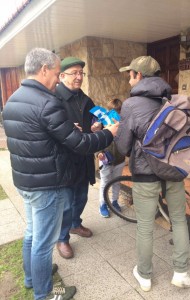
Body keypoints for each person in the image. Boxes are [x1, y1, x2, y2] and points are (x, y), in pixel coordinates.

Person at [2, 48, 118, 300]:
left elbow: (34, 139)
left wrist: (70, 130)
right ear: (44, 70)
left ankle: (32, 278)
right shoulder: (48, 102)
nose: (57, 79)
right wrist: (110, 133)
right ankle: (44, 295)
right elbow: (79, 144)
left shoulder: (13, 99)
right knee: (43, 243)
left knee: (33, 233)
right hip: (46, 184)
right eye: (57, 73)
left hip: (26, 181)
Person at [115, 56, 190, 292]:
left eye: (130, 74)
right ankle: (181, 272)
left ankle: (145, 276)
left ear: (138, 76)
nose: (129, 78)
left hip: (146, 175)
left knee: (145, 225)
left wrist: (116, 133)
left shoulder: (131, 105)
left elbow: (123, 147)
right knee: (178, 219)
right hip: (173, 171)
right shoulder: (171, 100)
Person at [55, 56, 102, 259]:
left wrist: (98, 125)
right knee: (65, 204)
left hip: (83, 157)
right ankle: (62, 238)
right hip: (64, 161)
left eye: (81, 73)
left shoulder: (85, 98)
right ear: (62, 75)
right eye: (74, 73)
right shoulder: (54, 99)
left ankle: (75, 224)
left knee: (81, 197)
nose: (79, 77)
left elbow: (97, 117)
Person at [97, 98, 126, 217]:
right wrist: (98, 152)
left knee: (116, 182)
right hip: (106, 159)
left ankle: (114, 202)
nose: (116, 113)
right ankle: (103, 204)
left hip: (119, 159)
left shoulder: (124, 123)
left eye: (118, 111)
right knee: (104, 182)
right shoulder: (101, 123)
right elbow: (97, 138)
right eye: (113, 111)